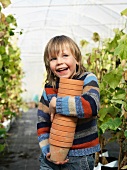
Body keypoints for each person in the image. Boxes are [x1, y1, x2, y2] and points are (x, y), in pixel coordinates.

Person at [37, 35, 100, 170]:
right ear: (49, 64)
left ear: (76, 59)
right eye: (53, 58)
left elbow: (91, 105)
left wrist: (57, 104)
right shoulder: (49, 87)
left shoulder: (87, 79)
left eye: (65, 55)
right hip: (51, 156)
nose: (59, 61)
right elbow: (42, 122)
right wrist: (47, 149)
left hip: (79, 157)